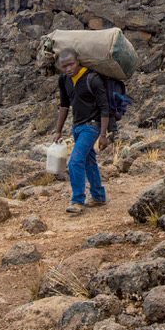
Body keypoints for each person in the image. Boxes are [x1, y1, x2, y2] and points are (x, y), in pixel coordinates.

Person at [52, 48, 109, 214]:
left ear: (78, 61)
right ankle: (98, 196)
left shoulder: (93, 79)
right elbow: (64, 105)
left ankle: (77, 200)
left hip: (92, 126)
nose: (68, 68)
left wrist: (103, 135)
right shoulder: (64, 80)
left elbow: (105, 107)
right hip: (77, 127)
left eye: (71, 64)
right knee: (89, 160)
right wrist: (58, 130)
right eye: (64, 66)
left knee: (74, 161)